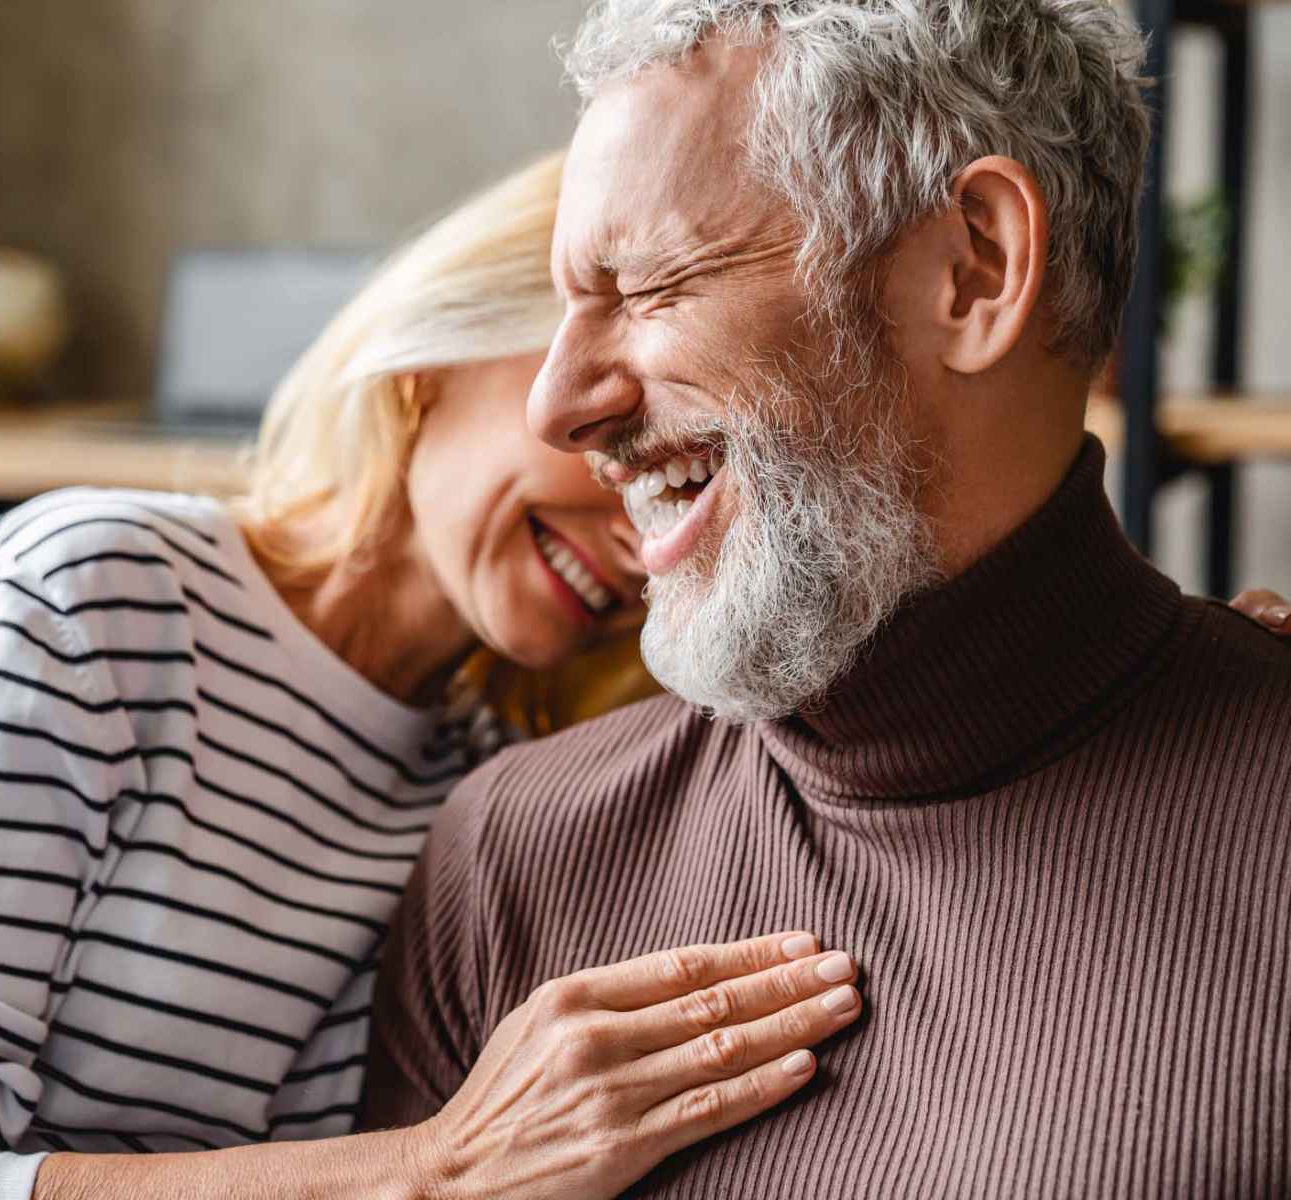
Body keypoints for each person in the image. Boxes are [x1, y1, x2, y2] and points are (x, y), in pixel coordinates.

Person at [0, 154, 870, 1200]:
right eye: (615, 447)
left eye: (687, 492)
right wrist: (428, 1175)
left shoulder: (484, 789)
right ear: (442, 352)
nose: (636, 538)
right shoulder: (92, 596)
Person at [364, 2, 1291, 1196]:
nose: (559, 404)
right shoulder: (513, 861)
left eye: (648, 287)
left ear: (975, 270)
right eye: (564, 307)